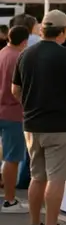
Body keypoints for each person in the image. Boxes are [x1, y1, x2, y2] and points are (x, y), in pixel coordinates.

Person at [11, 10, 66, 225]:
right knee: (56, 178)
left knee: (38, 177)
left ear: (43, 30)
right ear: (63, 32)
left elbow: (15, 90)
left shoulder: (25, 54)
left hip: (32, 124)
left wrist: (31, 103)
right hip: (60, 126)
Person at [0, 25, 30, 212]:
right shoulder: (19, 58)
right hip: (13, 112)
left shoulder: (2, 53)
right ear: (25, 41)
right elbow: (22, 88)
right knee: (12, 158)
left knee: (6, 157)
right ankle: (9, 200)